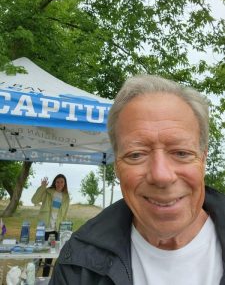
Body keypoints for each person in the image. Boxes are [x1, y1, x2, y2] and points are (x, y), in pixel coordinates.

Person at [49, 75, 225, 285]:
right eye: (136, 155)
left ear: (203, 160)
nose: (161, 175)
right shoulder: (78, 266)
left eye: (181, 153)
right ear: (117, 167)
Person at [31, 174, 70, 277]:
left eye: (62, 182)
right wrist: (42, 187)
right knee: (37, 254)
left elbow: (65, 214)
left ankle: (45, 278)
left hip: (55, 230)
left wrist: (64, 230)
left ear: (65, 183)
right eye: (57, 182)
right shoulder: (48, 192)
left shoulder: (66, 196)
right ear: (54, 182)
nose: (59, 184)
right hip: (43, 229)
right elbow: (34, 200)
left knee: (50, 255)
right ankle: (32, 276)